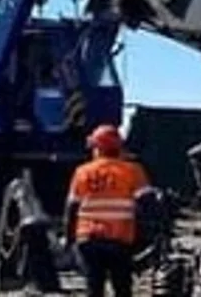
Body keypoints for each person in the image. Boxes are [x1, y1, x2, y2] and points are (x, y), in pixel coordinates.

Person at [66, 123, 156, 297]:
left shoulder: (82, 172)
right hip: (120, 240)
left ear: (97, 149)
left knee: (94, 286)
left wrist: (69, 238)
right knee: (122, 287)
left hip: (88, 239)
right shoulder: (133, 171)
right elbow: (148, 204)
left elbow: (71, 208)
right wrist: (148, 235)